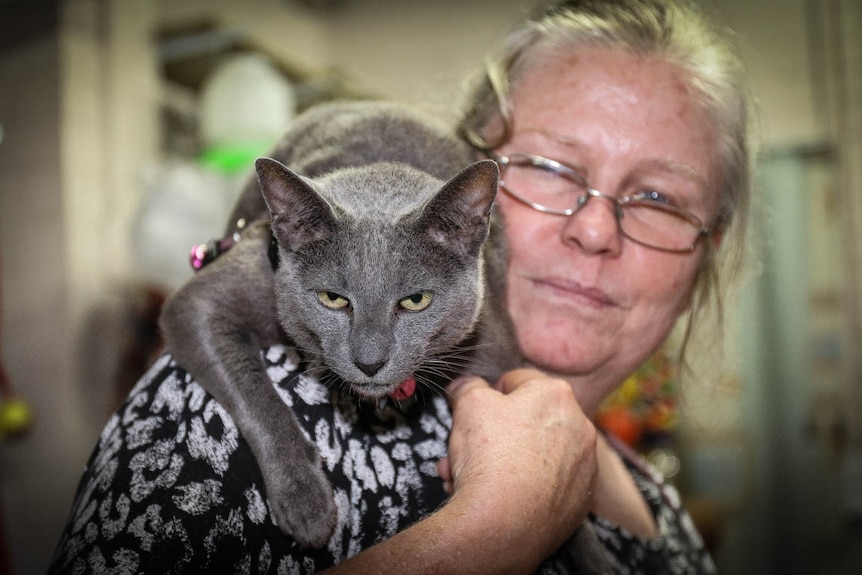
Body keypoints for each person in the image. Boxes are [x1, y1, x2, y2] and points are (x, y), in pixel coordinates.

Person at [49, 0, 755, 573]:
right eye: (555, 169)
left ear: (708, 251)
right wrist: (484, 537)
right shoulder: (209, 423)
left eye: (660, 197)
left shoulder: (665, 510)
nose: (597, 229)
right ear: (469, 178)